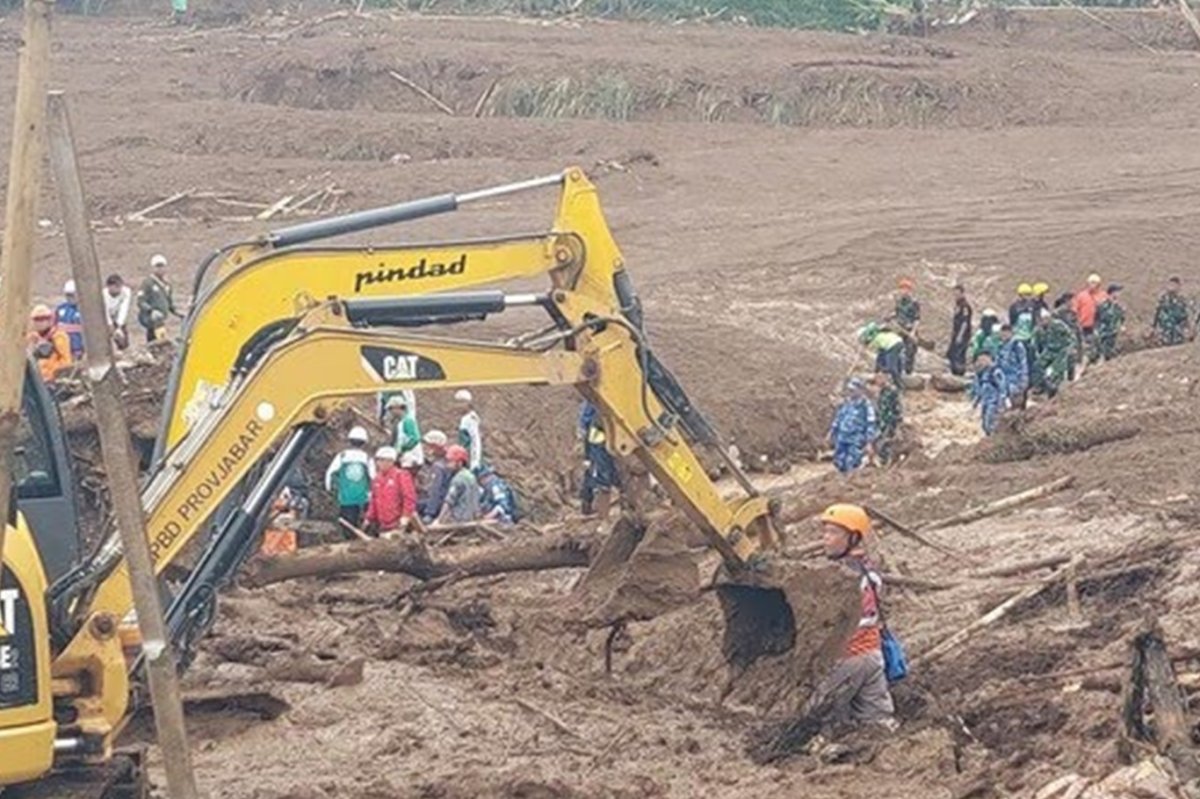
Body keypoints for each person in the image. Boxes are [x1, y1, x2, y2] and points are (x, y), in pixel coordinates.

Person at [804, 504, 895, 731]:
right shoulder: (870, 570)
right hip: (873, 655)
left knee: (817, 715)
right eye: (824, 532)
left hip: (847, 657)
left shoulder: (839, 577)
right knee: (879, 720)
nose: (825, 538)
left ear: (853, 537)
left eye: (833, 533)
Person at [324, 426, 375, 532]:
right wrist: (372, 493)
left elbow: (330, 473)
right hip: (363, 497)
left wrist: (329, 489)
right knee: (364, 523)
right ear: (364, 442)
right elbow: (373, 477)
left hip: (346, 497)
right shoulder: (366, 457)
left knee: (347, 524)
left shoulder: (342, 456)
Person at [827, 378, 878, 475]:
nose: (850, 392)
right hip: (842, 436)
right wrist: (832, 432)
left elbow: (870, 423)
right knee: (839, 461)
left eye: (853, 390)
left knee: (852, 462)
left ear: (860, 390)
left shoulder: (865, 405)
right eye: (849, 390)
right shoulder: (847, 403)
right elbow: (839, 417)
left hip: (855, 438)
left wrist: (869, 441)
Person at [363, 446, 416, 537]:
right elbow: (374, 500)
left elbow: (409, 497)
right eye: (379, 460)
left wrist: (406, 516)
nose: (379, 463)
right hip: (383, 524)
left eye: (383, 460)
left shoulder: (401, 476)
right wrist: (369, 518)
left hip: (397, 523)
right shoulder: (377, 479)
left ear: (391, 462)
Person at [579, 400, 619, 518]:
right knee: (601, 476)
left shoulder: (591, 403)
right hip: (599, 438)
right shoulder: (594, 404)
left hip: (598, 438)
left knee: (596, 473)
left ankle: (591, 505)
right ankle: (600, 513)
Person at [136, 254, 181, 342]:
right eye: (157, 266)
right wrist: (151, 310)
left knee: (161, 338)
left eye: (162, 266)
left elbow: (169, 302)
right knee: (153, 338)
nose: (160, 269)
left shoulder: (167, 285)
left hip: (161, 319)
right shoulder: (147, 283)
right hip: (151, 319)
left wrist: (178, 313)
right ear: (153, 268)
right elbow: (140, 301)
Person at [1032, 309, 1076, 398]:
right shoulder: (1038, 330)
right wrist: (1038, 354)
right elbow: (1035, 344)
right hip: (1049, 351)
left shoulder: (1058, 325)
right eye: (1040, 320)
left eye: (1044, 319)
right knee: (1037, 366)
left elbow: (1071, 336)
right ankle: (1040, 386)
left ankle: (1054, 387)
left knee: (1057, 370)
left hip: (1061, 350)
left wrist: (1070, 347)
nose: (1042, 322)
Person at [27, 304, 73, 382]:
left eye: (43, 319)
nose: (40, 323)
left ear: (49, 320)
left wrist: (53, 375)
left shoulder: (59, 337)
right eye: (37, 319)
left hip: (53, 380)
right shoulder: (31, 338)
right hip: (35, 379)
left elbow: (66, 362)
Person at [970, 351, 1009, 436]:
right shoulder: (981, 373)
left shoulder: (995, 372)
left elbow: (1002, 388)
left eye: (984, 359)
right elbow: (979, 390)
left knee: (991, 423)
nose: (981, 362)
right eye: (980, 360)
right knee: (984, 424)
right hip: (985, 402)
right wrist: (975, 402)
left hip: (994, 403)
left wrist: (1002, 403)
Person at [418, 430, 453, 524]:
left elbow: (435, 491)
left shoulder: (439, 467)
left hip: (439, 503)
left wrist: (429, 513)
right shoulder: (449, 459)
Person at [439, 444, 480, 523]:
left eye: (451, 461)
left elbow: (449, 501)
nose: (448, 465)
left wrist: (439, 520)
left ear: (460, 462)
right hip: (471, 518)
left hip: (459, 518)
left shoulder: (458, 479)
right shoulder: (471, 476)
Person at [858, 323, 905, 389]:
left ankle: (899, 385)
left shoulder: (875, 339)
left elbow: (875, 350)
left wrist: (880, 368)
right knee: (888, 362)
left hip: (892, 346)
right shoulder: (880, 335)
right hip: (898, 342)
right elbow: (880, 354)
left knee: (891, 367)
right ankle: (894, 377)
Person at [1071, 274, 1107, 355]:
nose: (1092, 285)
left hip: (1098, 324)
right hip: (1084, 325)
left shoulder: (1103, 295)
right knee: (1084, 345)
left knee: (1098, 342)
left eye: (1094, 283)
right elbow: (1074, 309)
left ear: (1098, 284)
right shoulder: (1081, 296)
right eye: (1090, 283)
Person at [871, 373, 902, 466]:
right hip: (881, 421)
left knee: (886, 443)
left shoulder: (892, 391)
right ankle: (883, 461)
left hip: (890, 422)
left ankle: (887, 463)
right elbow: (879, 408)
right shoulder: (881, 391)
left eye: (879, 378)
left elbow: (897, 407)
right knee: (879, 442)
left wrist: (898, 423)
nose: (877, 380)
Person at [996, 324, 1029, 410]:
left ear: (1011, 333)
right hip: (1003, 379)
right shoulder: (1000, 346)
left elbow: (1023, 362)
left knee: (1016, 403)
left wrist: (1023, 378)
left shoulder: (1017, 345)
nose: (1004, 336)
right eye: (1002, 334)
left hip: (1015, 378)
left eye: (1006, 334)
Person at [384, 395, 424, 468]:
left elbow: (415, 438)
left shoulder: (408, 421)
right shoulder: (400, 422)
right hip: (405, 459)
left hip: (412, 459)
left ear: (398, 407)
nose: (391, 412)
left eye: (391, 409)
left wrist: (402, 450)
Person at [1152, 277, 1193, 346]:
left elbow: (1186, 316)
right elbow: (1156, 314)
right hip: (1164, 332)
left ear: (1179, 287)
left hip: (1177, 333)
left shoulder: (1182, 301)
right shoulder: (1163, 299)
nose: (1172, 287)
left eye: (1175, 285)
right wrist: (1153, 327)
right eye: (1171, 285)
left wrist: (1189, 329)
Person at [892, 278, 921, 375]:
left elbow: (917, 318)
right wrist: (890, 316)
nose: (903, 291)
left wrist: (913, 331)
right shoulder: (899, 301)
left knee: (910, 352)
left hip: (910, 330)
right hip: (900, 329)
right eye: (902, 289)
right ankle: (898, 371)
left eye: (906, 289)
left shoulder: (914, 303)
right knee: (898, 350)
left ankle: (908, 372)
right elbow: (897, 313)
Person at [1053, 293, 1084, 381]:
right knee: (1060, 368)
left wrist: (1079, 346)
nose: (1073, 302)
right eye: (1071, 300)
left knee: (1071, 366)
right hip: (1061, 344)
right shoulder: (1057, 314)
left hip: (1072, 344)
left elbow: (1077, 329)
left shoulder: (1072, 313)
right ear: (1066, 301)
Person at [1092, 284, 1126, 362]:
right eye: (1117, 291)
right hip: (1103, 333)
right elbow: (1096, 318)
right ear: (1112, 292)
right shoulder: (1103, 305)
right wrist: (1096, 330)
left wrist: (1121, 326)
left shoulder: (1118, 307)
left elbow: (1121, 318)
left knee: (1110, 353)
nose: (1119, 294)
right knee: (1101, 354)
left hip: (1113, 333)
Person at [946, 283, 972, 377]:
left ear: (962, 293)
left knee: (959, 354)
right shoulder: (957, 305)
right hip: (956, 333)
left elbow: (965, 322)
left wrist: (960, 335)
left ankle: (959, 373)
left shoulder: (965, 306)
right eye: (954, 294)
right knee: (951, 353)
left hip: (962, 334)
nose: (955, 296)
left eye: (957, 294)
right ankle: (954, 372)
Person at [55, 280, 85, 360]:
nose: (70, 298)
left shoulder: (84, 309)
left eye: (72, 295)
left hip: (78, 349)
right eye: (68, 295)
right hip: (63, 349)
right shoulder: (61, 309)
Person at [454, 389, 483, 470]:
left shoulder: (471, 419)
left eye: (461, 402)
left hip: (470, 459)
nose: (458, 406)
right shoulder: (464, 418)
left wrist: (475, 462)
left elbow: (475, 440)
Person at [103, 274, 132, 351]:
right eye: (116, 286)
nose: (119, 289)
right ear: (109, 287)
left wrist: (119, 324)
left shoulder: (126, 292)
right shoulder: (103, 295)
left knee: (123, 340)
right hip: (105, 318)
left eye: (119, 286)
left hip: (118, 316)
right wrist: (109, 324)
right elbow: (104, 310)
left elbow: (124, 308)